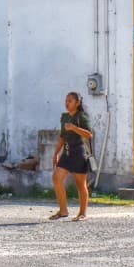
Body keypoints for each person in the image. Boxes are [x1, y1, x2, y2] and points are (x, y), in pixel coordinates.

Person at [50, 91, 94, 221]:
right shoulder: (64, 117)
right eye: (66, 100)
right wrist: (56, 153)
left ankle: (82, 214)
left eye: (70, 101)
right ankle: (63, 211)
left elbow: (89, 134)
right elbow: (62, 137)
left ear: (77, 103)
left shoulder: (82, 116)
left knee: (80, 184)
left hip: (79, 153)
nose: (67, 103)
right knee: (56, 178)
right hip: (67, 152)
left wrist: (74, 128)